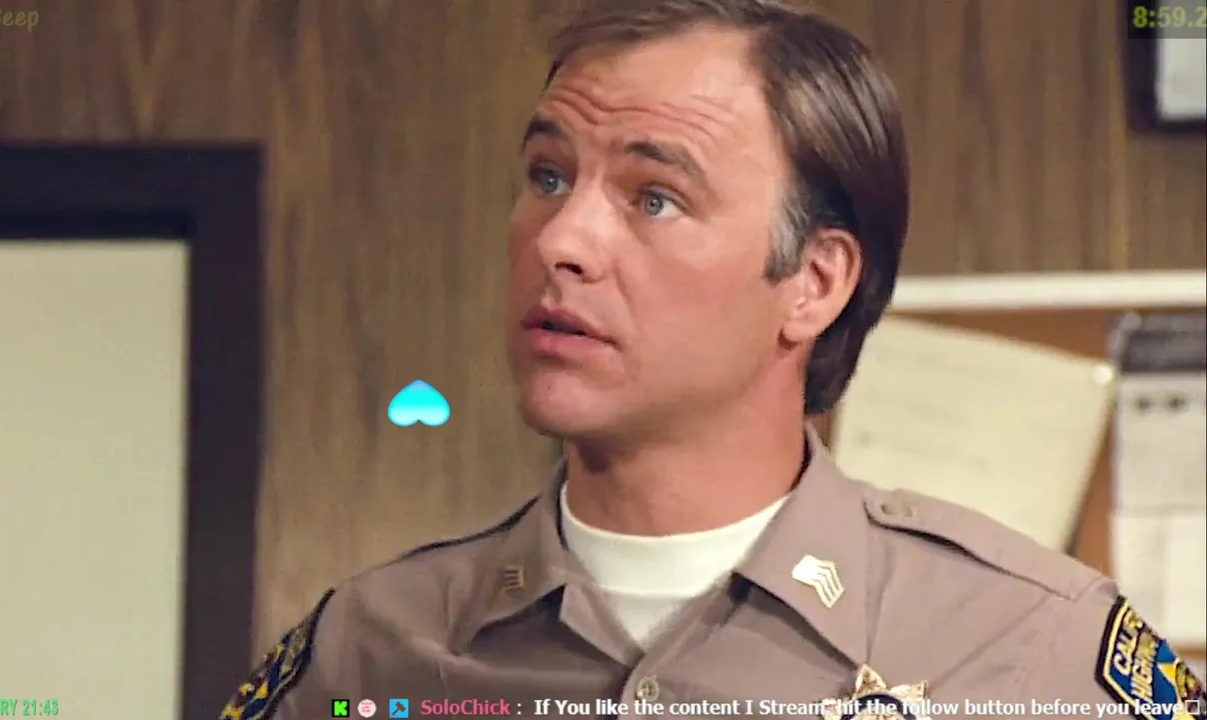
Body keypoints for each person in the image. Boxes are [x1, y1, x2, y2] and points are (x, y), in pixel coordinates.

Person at [221, 1, 1205, 718]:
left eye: (654, 198)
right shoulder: (363, 654)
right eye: (547, 176)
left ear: (813, 282)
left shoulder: (1037, 648)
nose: (561, 240)